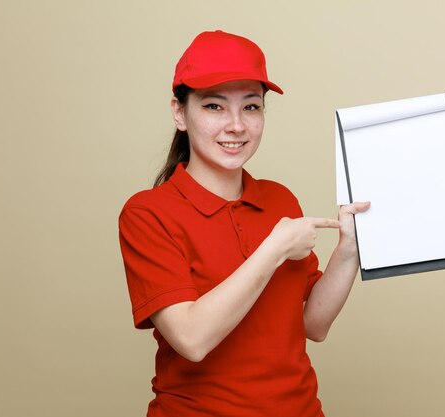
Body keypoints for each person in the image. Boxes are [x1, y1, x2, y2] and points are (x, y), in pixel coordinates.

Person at [118, 30, 370, 417]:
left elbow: (313, 324)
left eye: (251, 107)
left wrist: (349, 250)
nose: (236, 125)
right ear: (179, 113)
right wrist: (273, 249)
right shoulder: (148, 215)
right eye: (214, 107)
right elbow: (192, 338)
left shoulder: (279, 200)